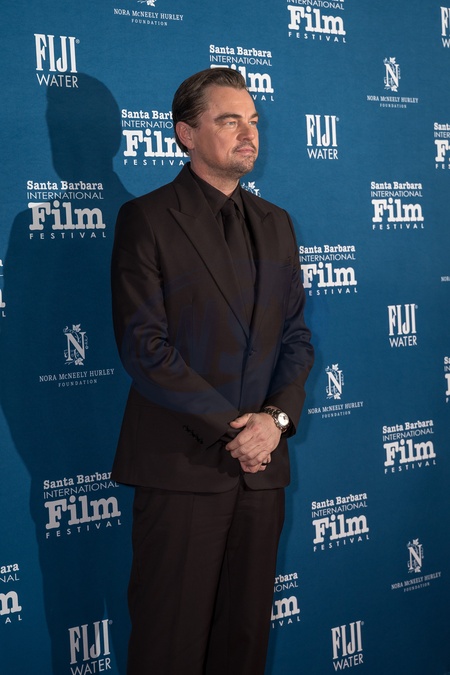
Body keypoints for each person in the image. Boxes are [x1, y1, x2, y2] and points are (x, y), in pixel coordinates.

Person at [111, 67, 314, 675]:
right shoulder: (147, 219)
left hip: (261, 473)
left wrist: (274, 422)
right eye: (230, 121)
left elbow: (296, 339)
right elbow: (145, 348)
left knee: (243, 647)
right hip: (182, 471)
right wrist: (235, 431)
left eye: (252, 121)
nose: (248, 133)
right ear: (186, 134)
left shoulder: (277, 222)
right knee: (168, 649)